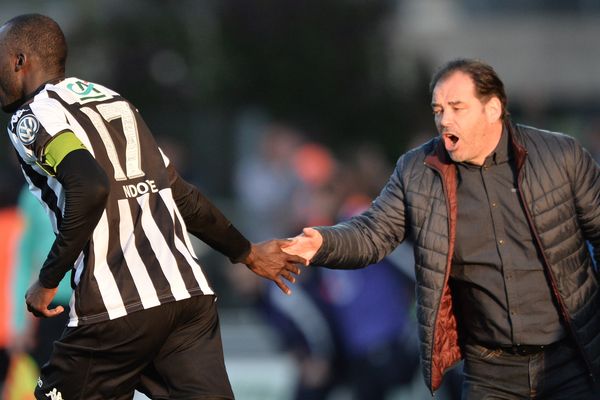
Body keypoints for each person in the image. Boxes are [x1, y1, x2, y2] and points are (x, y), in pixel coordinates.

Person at [0, 14, 304, 399]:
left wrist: (47, 282)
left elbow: (90, 185)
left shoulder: (31, 117)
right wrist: (246, 253)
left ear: (19, 61)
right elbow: (179, 194)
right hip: (186, 300)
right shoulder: (113, 102)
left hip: (115, 308)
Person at [283, 58, 600, 399]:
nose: (444, 119)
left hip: (571, 360)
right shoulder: (418, 172)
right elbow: (372, 233)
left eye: (456, 107)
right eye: (438, 110)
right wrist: (321, 242)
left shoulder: (561, 157)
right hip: (490, 372)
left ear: (493, 109)